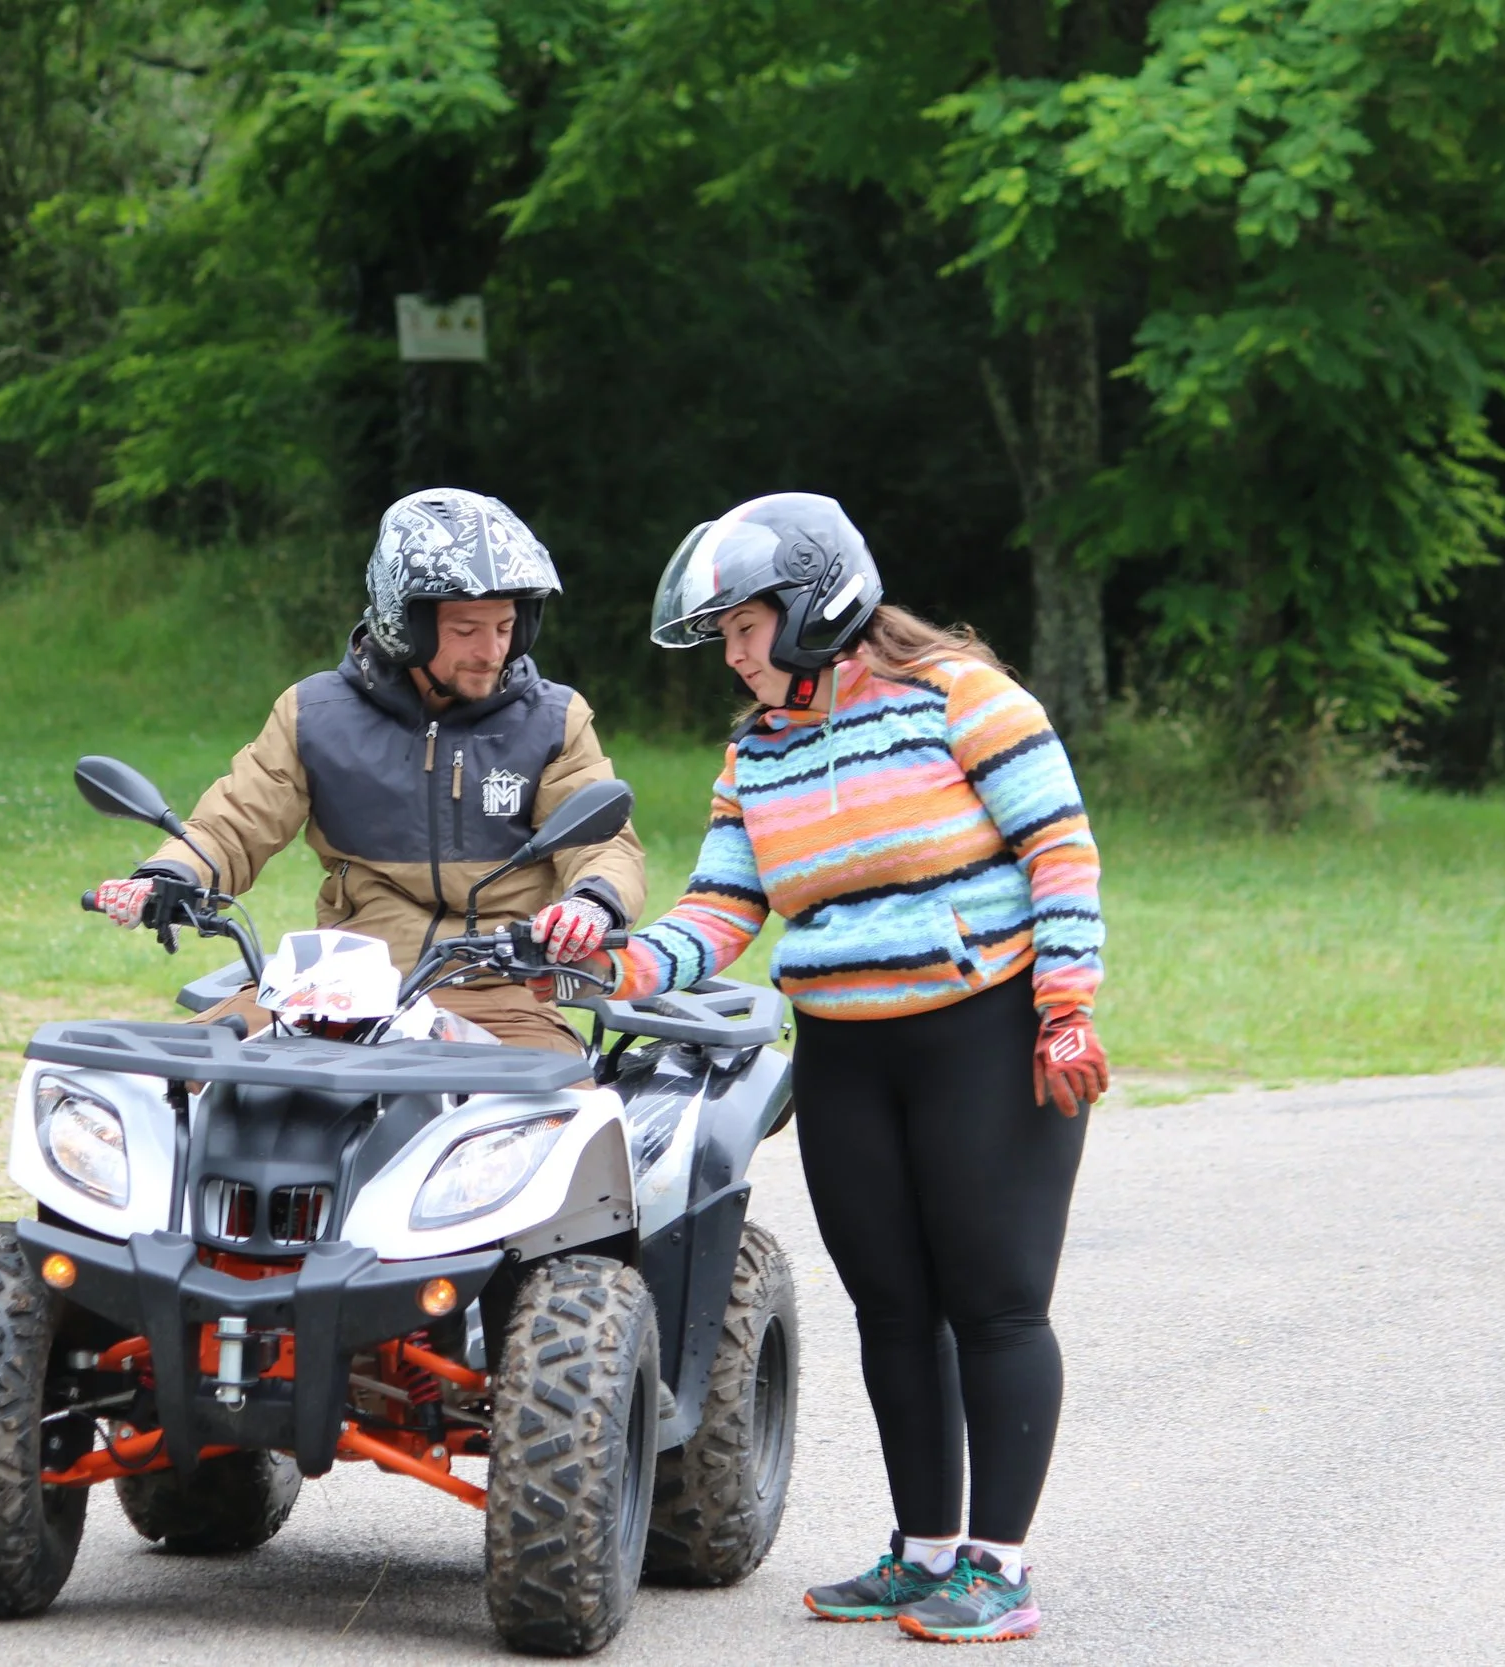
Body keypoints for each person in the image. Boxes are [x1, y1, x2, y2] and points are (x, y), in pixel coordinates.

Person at [538, 492, 1109, 1641]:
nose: (733, 655)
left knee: (993, 1301)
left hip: (983, 1034)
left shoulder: (961, 697)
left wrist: (1064, 1009)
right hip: (844, 1047)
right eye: (724, 636)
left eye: (745, 628)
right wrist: (620, 964)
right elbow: (721, 903)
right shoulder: (758, 749)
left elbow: (1058, 845)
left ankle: (998, 1568)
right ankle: (924, 1550)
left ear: (814, 606)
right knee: (891, 1305)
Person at [90, 487, 644, 1053]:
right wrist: (168, 876)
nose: (492, 651)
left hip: (497, 993)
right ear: (406, 623)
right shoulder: (316, 715)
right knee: (168, 1074)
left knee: (558, 1096)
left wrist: (591, 903)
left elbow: (604, 846)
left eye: (505, 627)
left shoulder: (553, 721)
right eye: (466, 630)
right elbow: (230, 828)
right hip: (337, 988)